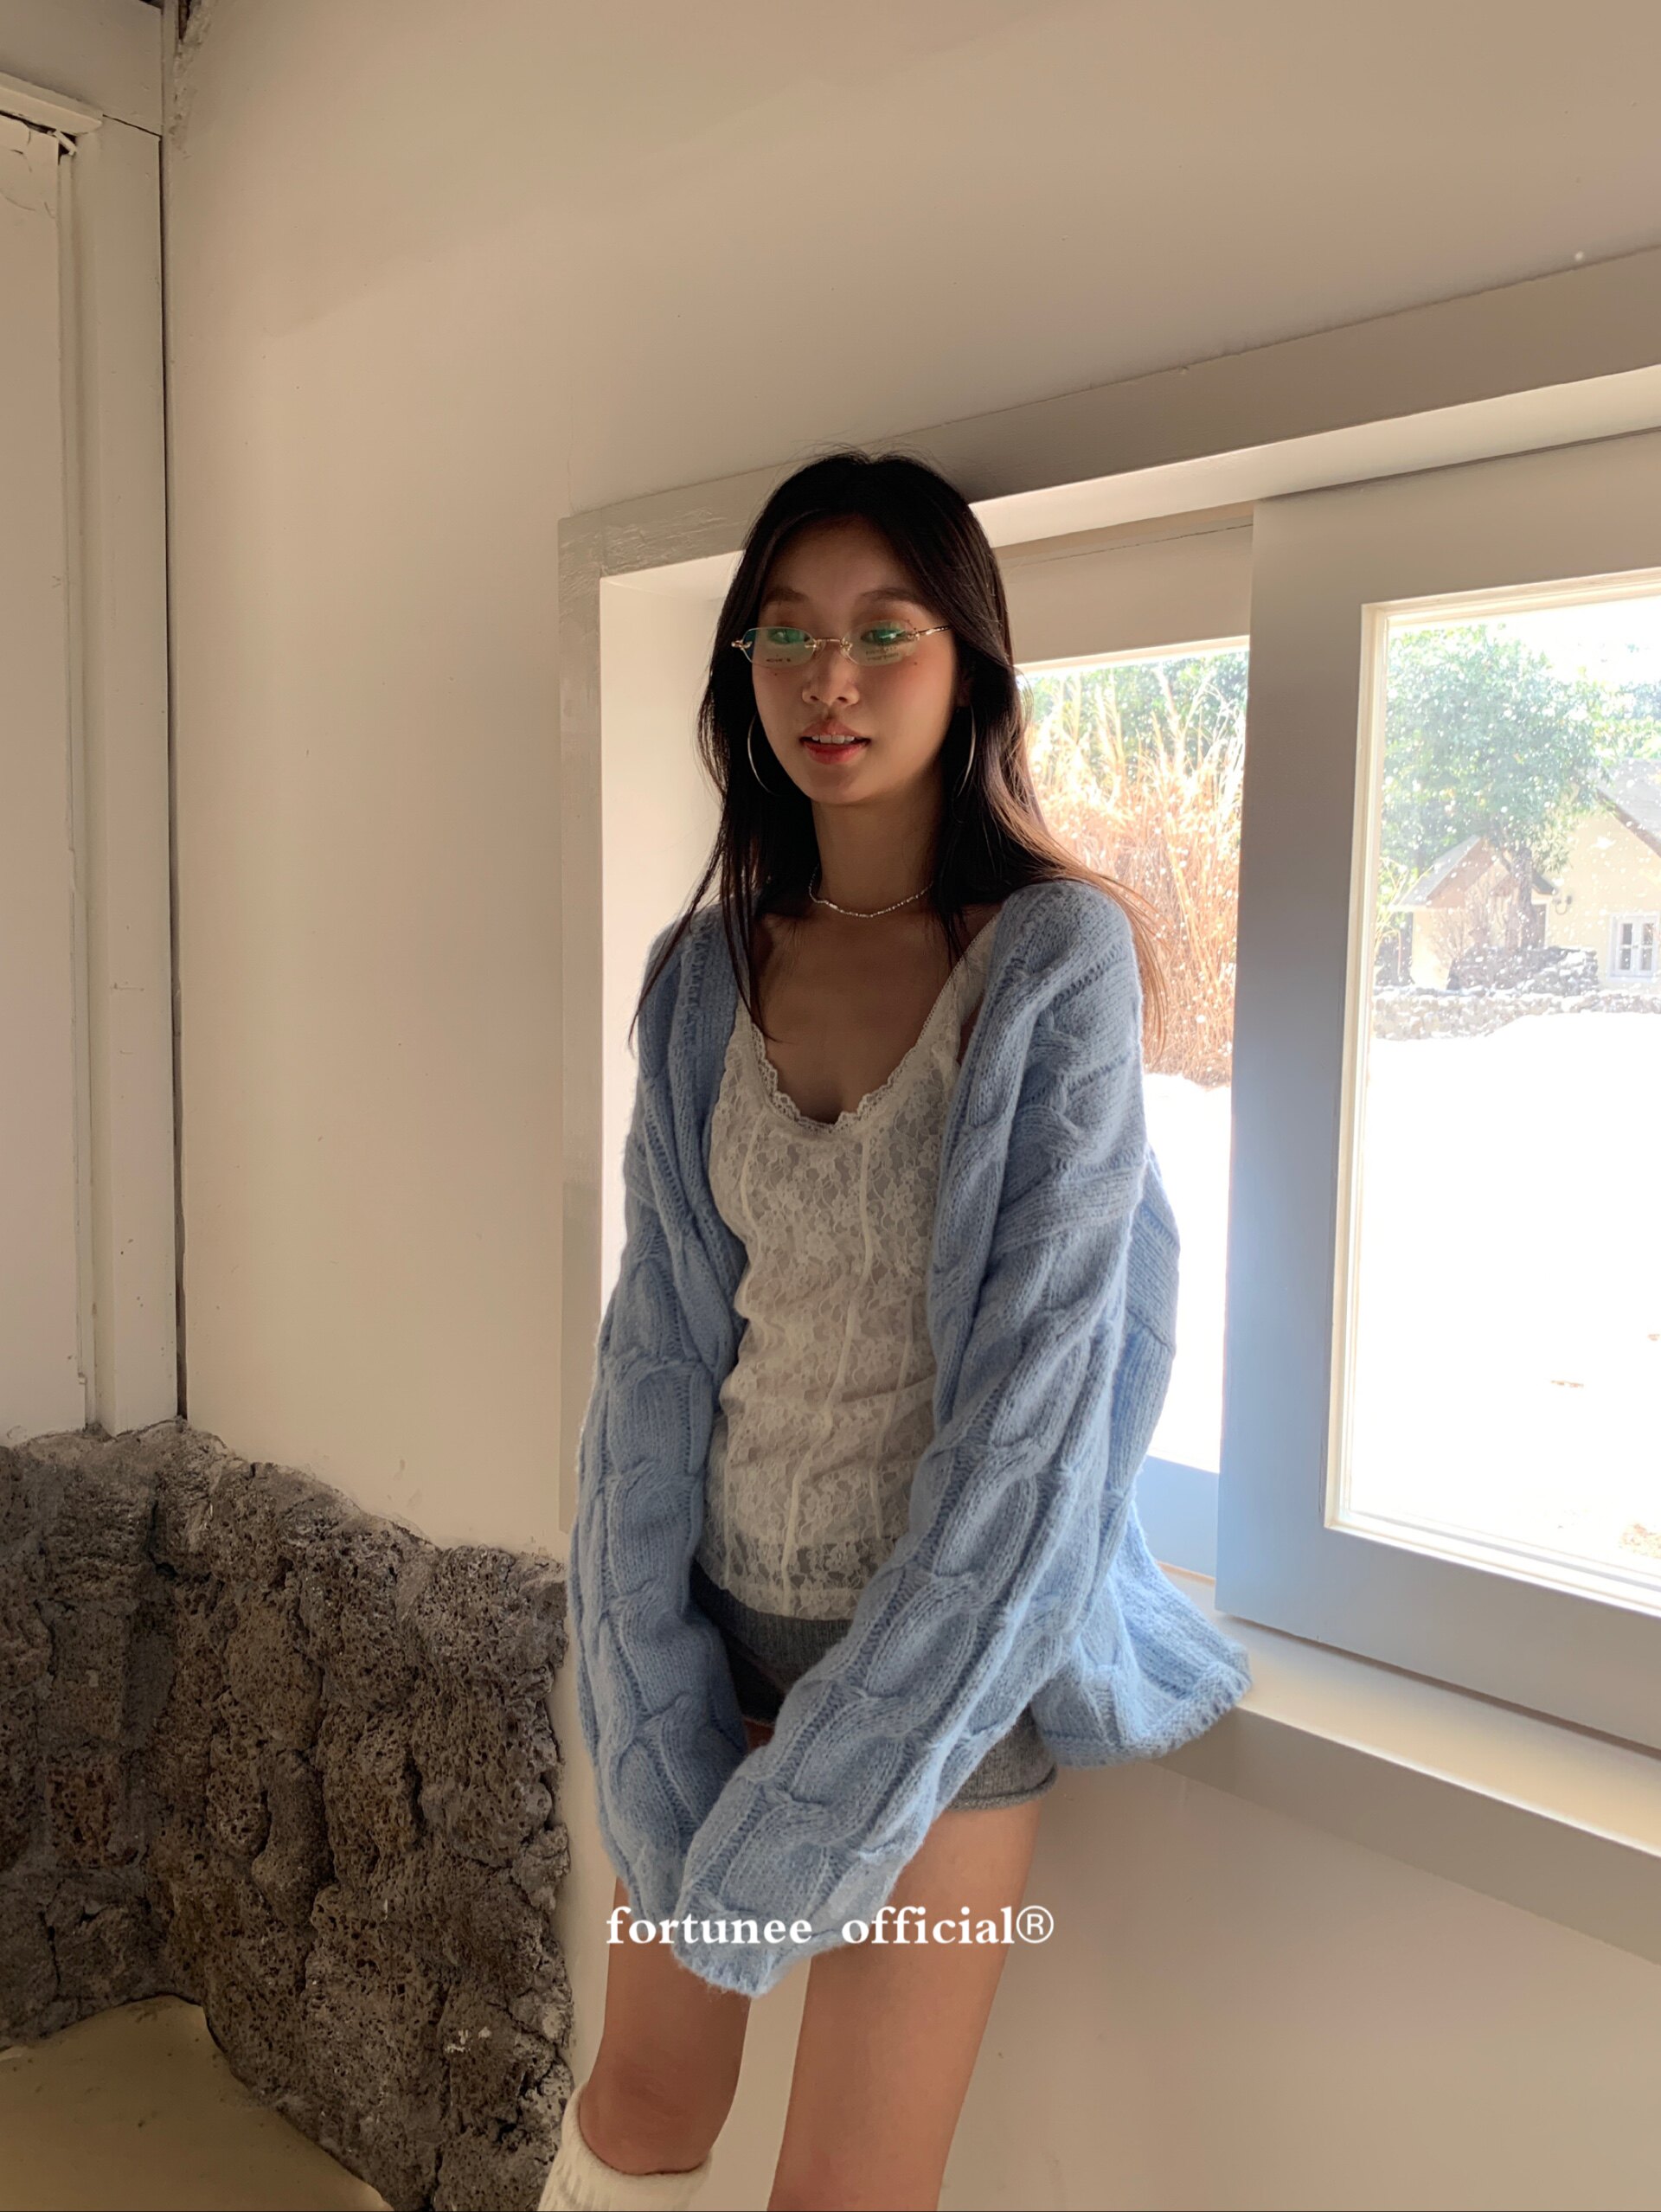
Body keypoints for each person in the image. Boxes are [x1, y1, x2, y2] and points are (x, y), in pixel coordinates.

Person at [542, 449, 1250, 2212]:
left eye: (883, 631)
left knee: (845, 2194)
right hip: (712, 1642)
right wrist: (646, 1704)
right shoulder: (700, 974)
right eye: (786, 633)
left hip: (951, 1675)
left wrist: (820, 1804)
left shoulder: (1056, 962)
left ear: (970, 661)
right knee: (637, 2113)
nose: (830, 679)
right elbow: (655, 1361)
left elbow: (1035, 1427)